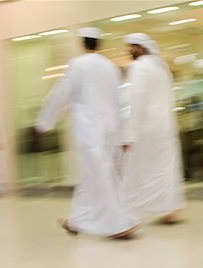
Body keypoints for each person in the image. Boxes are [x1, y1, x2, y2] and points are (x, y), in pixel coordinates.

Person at [36, 27, 138, 238]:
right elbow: (122, 102)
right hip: (111, 128)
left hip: (90, 130)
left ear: (83, 43)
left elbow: (60, 94)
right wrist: (124, 134)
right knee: (92, 174)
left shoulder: (78, 65)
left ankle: (120, 224)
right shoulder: (111, 68)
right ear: (97, 44)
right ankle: (77, 221)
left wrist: (44, 122)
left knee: (100, 173)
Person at [120, 33, 186, 223]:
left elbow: (137, 100)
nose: (128, 50)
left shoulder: (140, 67)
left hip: (146, 129)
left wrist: (129, 132)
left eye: (131, 47)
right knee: (165, 168)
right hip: (164, 127)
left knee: (136, 168)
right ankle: (170, 210)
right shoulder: (161, 68)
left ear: (141, 48)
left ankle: (126, 211)